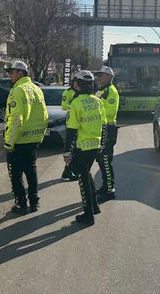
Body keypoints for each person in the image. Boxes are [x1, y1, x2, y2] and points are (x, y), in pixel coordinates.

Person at [4, 61, 49, 215]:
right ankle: (34, 201)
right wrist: (40, 135)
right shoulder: (37, 89)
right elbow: (44, 115)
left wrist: (9, 142)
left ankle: (21, 203)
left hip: (19, 140)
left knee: (15, 174)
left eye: (12, 72)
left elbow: (16, 118)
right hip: (34, 139)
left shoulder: (18, 90)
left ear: (20, 73)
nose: (9, 75)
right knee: (31, 171)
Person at [63, 70, 105, 226]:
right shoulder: (97, 101)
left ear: (77, 85)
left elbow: (71, 130)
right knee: (86, 174)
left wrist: (67, 152)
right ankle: (94, 206)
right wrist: (103, 144)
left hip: (81, 147)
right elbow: (104, 124)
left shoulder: (75, 103)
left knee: (83, 180)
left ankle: (88, 215)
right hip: (95, 145)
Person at [93, 66, 120, 203]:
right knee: (101, 160)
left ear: (109, 77)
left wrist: (97, 108)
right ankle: (105, 186)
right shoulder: (100, 90)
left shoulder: (111, 91)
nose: (99, 78)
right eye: (98, 75)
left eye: (102, 75)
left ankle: (110, 190)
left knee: (105, 160)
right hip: (100, 128)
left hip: (108, 128)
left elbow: (110, 112)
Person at [59, 78, 77, 181]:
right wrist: (75, 106)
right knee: (71, 147)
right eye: (75, 83)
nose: (76, 85)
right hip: (70, 122)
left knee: (74, 149)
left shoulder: (80, 92)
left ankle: (67, 171)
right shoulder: (68, 92)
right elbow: (64, 106)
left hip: (77, 122)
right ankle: (68, 171)